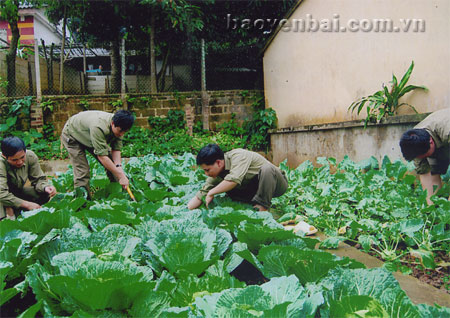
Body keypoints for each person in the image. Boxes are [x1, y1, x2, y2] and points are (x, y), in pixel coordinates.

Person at [188, 144, 289, 211]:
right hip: (253, 188)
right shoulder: (217, 173)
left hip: (276, 184)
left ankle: (262, 208)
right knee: (224, 186)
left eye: (207, 170)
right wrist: (184, 212)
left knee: (267, 168)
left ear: (218, 162)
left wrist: (212, 192)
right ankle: (250, 206)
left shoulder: (239, 156)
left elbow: (233, 180)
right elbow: (201, 195)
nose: (206, 174)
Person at [61, 110, 134, 196]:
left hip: (89, 134)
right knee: (82, 170)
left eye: (124, 132)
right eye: (120, 131)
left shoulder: (121, 124)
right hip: (72, 134)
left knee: (113, 166)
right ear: (113, 123)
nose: (122, 134)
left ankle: (119, 195)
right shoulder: (99, 127)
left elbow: (116, 149)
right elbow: (102, 157)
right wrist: (121, 176)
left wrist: (119, 168)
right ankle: (82, 201)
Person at [399, 108, 450, 204]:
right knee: (435, 171)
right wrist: (430, 205)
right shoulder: (414, 141)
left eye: (424, 155)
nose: (420, 158)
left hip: (446, 130)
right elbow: (424, 174)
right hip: (439, 139)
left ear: (431, 142)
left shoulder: (447, 130)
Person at [0, 136, 57, 220]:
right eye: (14, 160)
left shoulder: (30, 156)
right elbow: (1, 194)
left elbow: (38, 179)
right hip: (2, 196)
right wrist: (27, 204)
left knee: (44, 194)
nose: (19, 162)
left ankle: (19, 211)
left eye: (22, 157)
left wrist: (46, 187)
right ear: (4, 156)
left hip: (15, 193)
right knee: (4, 221)